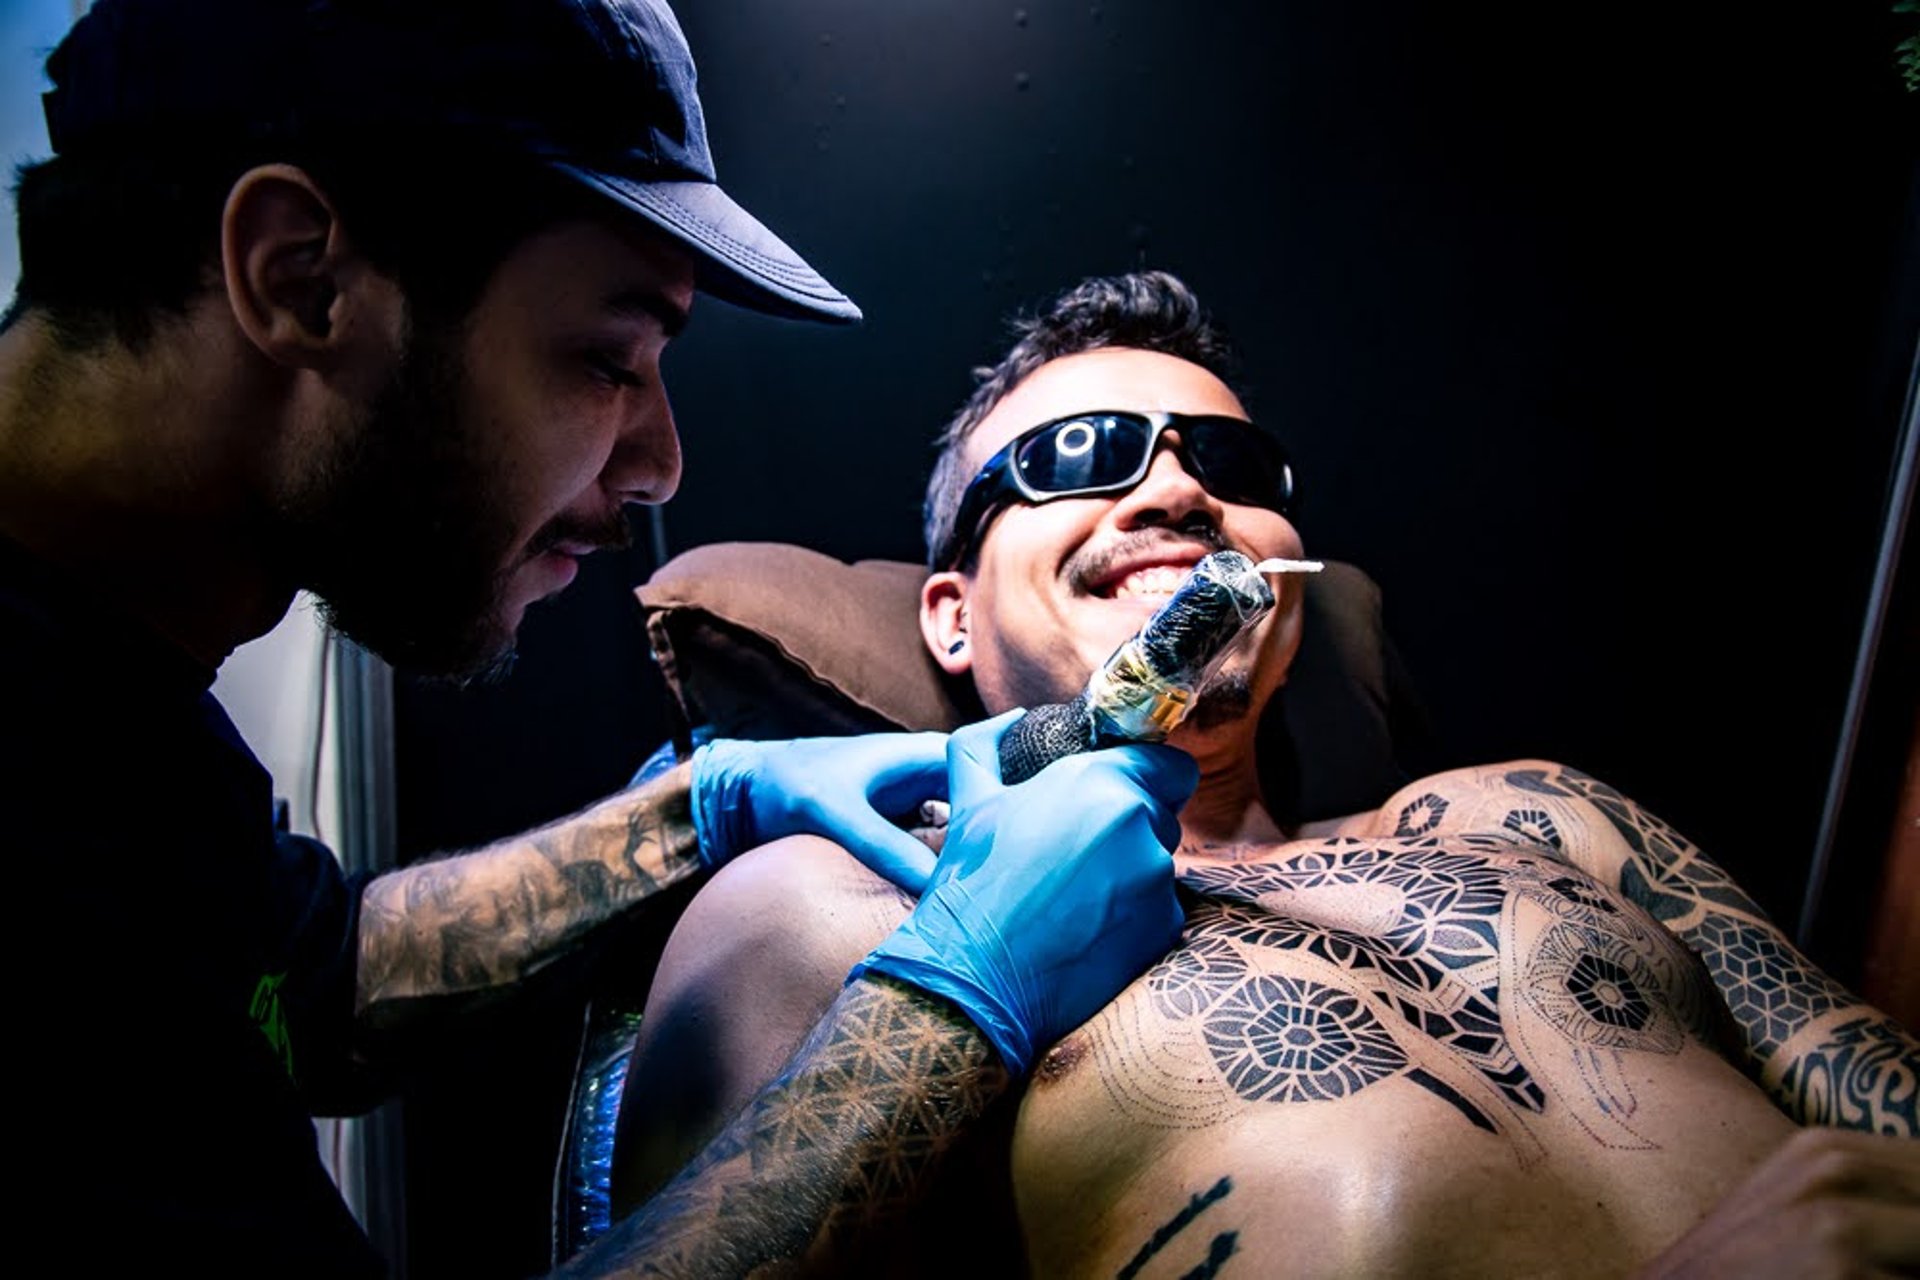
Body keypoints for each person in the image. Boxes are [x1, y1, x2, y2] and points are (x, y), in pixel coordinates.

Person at [2, 3, 1200, 1275]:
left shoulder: (112, 710)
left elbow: (314, 985)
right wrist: (955, 1003)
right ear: (302, 278)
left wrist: (704, 806)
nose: (658, 462)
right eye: (607, 358)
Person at [608, 271, 1920, 1276]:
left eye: (1230, 463)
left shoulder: (1545, 814)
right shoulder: (846, 914)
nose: (1179, 491)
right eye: (1082, 456)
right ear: (950, 615)